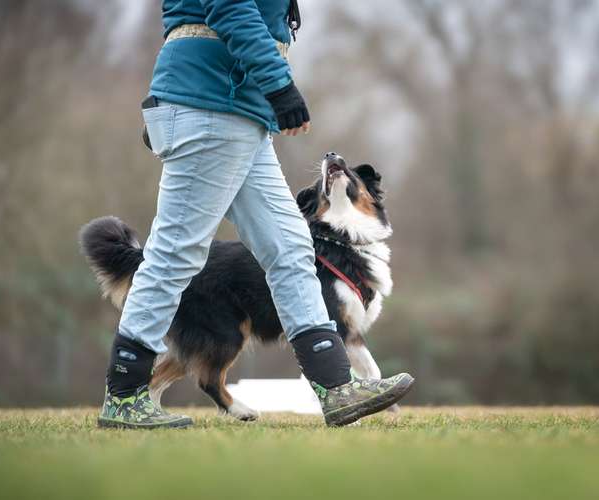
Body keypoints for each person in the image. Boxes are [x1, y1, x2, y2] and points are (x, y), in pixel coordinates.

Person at [98, 0, 414, 429]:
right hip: (213, 105)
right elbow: (229, 7)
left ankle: (337, 388)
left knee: (290, 247)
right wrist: (278, 84)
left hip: (237, 110)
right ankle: (125, 397)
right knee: (176, 255)